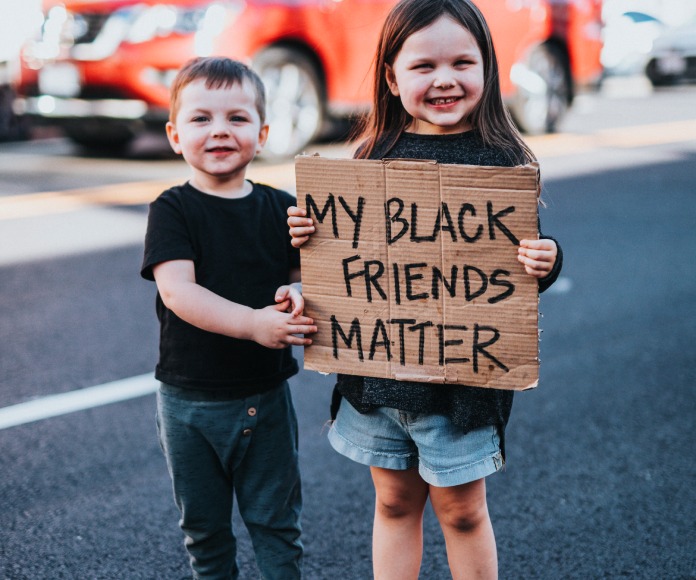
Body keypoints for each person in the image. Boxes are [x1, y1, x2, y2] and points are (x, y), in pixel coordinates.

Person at [287, 1, 563, 578]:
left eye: (463, 62)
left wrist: (548, 257)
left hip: (461, 387)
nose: (444, 79)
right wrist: (310, 236)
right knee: (393, 502)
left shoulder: (503, 162)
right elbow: (344, 263)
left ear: (487, 68)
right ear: (391, 76)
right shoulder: (369, 158)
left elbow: (517, 265)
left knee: (462, 513)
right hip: (377, 377)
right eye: (423, 66)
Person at [140, 56, 317, 580]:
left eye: (237, 119)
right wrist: (255, 324)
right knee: (205, 529)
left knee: (277, 523)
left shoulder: (283, 208)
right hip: (187, 402)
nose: (220, 130)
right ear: (175, 135)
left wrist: (299, 291)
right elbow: (179, 293)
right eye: (201, 119)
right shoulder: (172, 209)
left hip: (265, 398)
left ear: (262, 134)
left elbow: (315, 277)